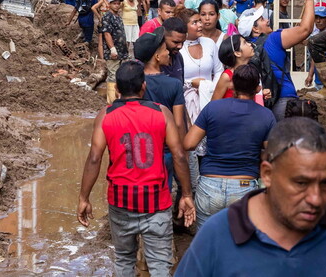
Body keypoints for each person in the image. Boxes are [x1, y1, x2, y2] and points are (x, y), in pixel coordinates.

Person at [175, 117, 326, 277]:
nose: (315, 198)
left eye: (325, 183)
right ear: (267, 174)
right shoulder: (218, 236)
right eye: (301, 183)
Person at [77, 61, 195, 277]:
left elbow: (94, 158)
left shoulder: (106, 115)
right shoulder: (162, 112)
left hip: (121, 200)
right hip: (156, 201)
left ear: (117, 89)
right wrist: (186, 194)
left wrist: (84, 198)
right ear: (143, 86)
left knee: (124, 260)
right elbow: (178, 155)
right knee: (160, 264)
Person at [184, 64, 276, 228]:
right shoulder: (266, 116)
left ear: (232, 85)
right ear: (257, 88)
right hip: (244, 187)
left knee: (208, 246)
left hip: (209, 186)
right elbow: (272, 154)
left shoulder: (212, 108)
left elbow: (189, 143)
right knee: (240, 247)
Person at [238, 0, 315, 121]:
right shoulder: (273, 39)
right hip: (285, 101)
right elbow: (306, 29)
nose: (267, 20)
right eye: (262, 19)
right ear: (255, 29)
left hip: (261, 106)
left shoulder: (244, 50)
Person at [135, 29, 187, 190]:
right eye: (165, 50)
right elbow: (178, 123)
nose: (168, 53)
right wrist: (182, 151)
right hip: (165, 150)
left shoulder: (135, 83)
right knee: (163, 190)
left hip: (140, 148)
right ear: (157, 57)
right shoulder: (173, 85)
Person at [178, 8, 224, 122]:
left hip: (211, 97)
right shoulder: (178, 49)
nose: (200, 24)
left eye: (199, 21)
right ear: (184, 27)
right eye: (194, 22)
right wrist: (190, 84)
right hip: (186, 101)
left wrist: (211, 88)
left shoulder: (209, 43)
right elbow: (175, 79)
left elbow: (218, 70)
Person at [101, 0, 127, 104]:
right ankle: (111, 101)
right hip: (113, 52)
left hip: (122, 51)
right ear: (110, 4)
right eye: (114, 4)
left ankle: (119, 98)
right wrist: (112, 49)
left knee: (120, 74)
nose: (117, 6)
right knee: (112, 75)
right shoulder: (107, 16)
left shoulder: (118, 16)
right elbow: (107, 34)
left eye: (118, 3)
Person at [160, 17, 188, 83]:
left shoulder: (178, 57)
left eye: (183, 42)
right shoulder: (151, 61)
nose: (180, 46)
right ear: (163, 37)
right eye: (176, 42)